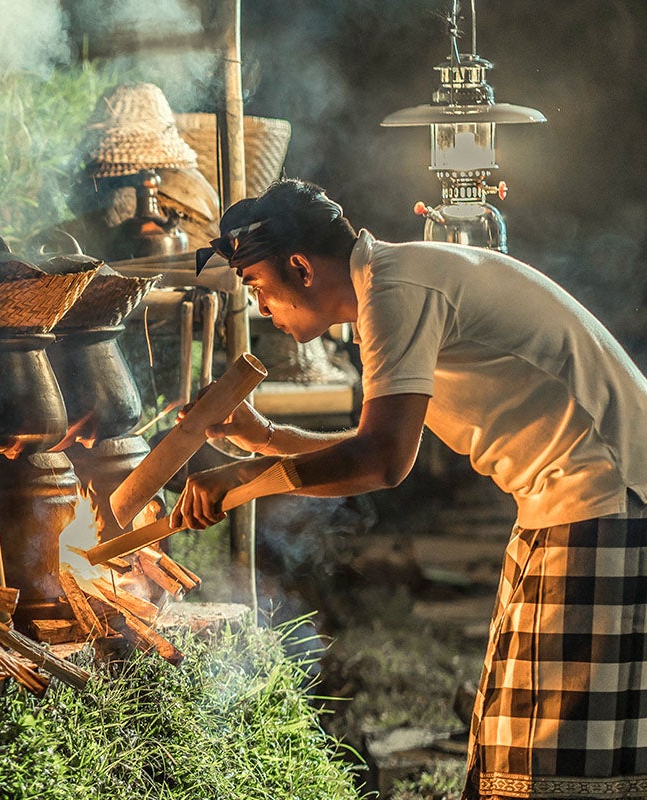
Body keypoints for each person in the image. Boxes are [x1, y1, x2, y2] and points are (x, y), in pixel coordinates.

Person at [176, 178, 647, 800]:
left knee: (552, 758)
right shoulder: (395, 280)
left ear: (300, 266)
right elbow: (383, 441)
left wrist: (242, 482)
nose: (262, 307)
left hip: (605, 499)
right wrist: (267, 440)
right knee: (514, 737)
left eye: (260, 287)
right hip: (572, 502)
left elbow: (381, 462)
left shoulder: (395, 291)